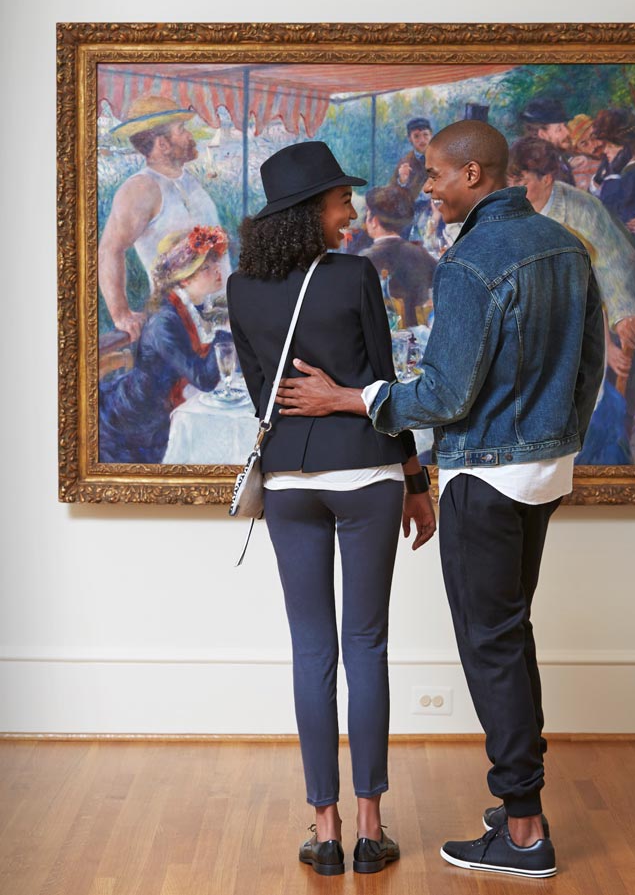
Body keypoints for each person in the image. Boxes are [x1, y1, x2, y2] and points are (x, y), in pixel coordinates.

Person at [275, 121, 605, 879]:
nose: (425, 186)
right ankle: (522, 805)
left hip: (485, 481)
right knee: (510, 637)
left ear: (475, 175)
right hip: (544, 476)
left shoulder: (469, 263)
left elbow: (446, 394)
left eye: (435, 175)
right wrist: (557, 439)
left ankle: (523, 832)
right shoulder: (562, 245)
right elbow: (588, 366)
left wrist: (349, 398)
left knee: (491, 649)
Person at [226, 142, 437, 877]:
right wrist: (415, 479)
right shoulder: (353, 276)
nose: (350, 211)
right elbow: (383, 381)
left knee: (313, 650)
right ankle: (372, 827)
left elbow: (262, 394)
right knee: (366, 644)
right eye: (340, 200)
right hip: (366, 474)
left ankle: (324, 828)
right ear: (310, 210)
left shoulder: (241, 286)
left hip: (289, 481)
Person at [507, 137, 635, 464]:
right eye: (509, 183)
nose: (513, 191)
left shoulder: (581, 210)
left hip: (588, 318)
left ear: (547, 179)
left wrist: (624, 313)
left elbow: (616, 262)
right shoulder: (510, 210)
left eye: (521, 183)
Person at [98, 95, 231, 341]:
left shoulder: (188, 180)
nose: (190, 136)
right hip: (181, 326)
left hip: (222, 318)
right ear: (162, 144)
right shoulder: (141, 188)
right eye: (181, 130)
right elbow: (109, 250)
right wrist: (121, 314)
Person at [98, 225, 230, 463]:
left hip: (162, 412)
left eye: (216, 263)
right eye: (207, 268)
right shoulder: (164, 321)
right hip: (132, 425)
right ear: (185, 278)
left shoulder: (193, 308)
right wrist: (225, 330)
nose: (218, 271)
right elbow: (203, 378)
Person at [360, 186, 437, 326]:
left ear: (374, 221)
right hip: (419, 336)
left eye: (367, 213)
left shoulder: (365, 261)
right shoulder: (422, 254)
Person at [591, 108, 635, 256]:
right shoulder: (614, 169)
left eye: (611, 146)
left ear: (626, 147)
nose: (605, 151)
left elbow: (612, 212)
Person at [519, 98, 575, 185]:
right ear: (542, 134)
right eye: (559, 129)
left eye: (565, 126)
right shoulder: (539, 169)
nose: (567, 132)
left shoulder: (559, 159)